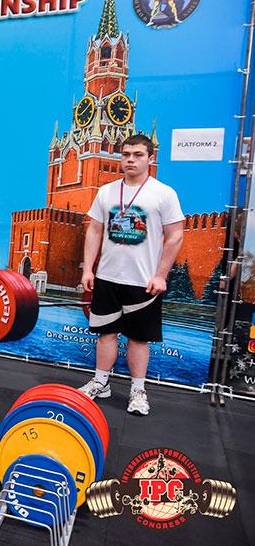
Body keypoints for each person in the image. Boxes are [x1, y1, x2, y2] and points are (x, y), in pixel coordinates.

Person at [79, 134, 184, 415]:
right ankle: (101, 382)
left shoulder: (164, 193)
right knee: (105, 334)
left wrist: (161, 275)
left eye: (138, 155)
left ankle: (138, 391)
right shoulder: (107, 192)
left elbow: (175, 236)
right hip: (107, 278)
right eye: (125, 154)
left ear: (151, 158)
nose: (130, 160)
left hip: (143, 281)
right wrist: (88, 268)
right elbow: (95, 231)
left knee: (138, 338)